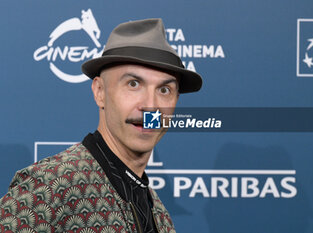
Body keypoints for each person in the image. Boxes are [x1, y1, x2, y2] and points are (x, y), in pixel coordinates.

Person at [0, 18, 202, 232]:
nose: (151, 107)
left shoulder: (160, 216)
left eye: (164, 90)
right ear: (100, 92)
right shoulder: (53, 184)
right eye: (133, 84)